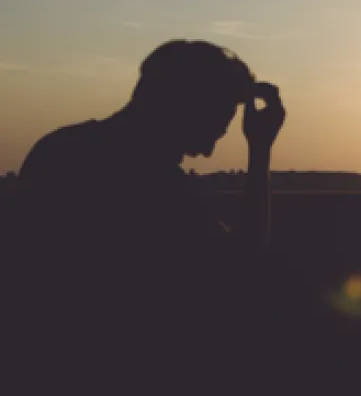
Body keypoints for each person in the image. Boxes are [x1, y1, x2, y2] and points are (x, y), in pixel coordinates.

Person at [6, 40, 286, 394]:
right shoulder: (164, 188)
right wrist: (259, 151)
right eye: (220, 118)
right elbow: (242, 263)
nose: (217, 138)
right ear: (189, 105)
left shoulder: (56, 149)